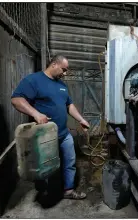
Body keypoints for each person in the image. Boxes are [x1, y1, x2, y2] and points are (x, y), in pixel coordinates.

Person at [11, 54, 90, 200]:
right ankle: (44, 191)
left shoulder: (61, 85)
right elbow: (16, 100)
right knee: (45, 166)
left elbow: (69, 105)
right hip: (44, 137)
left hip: (64, 133)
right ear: (54, 64)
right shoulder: (33, 80)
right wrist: (35, 114)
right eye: (64, 69)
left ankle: (68, 190)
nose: (65, 74)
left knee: (70, 162)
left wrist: (81, 119)